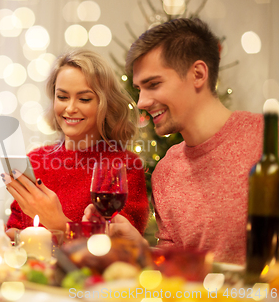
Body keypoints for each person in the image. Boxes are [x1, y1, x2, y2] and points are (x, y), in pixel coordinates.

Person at [84, 17, 261, 265]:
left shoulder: (265, 140)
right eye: (139, 89)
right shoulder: (166, 171)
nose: (142, 102)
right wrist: (139, 248)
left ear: (198, 74)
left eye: (153, 84)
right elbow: (176, 265)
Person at [0, 49, 150, 239]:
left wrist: (57, 222)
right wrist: (0, 234)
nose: (70, 108)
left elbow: (121, 247)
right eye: (62, 97)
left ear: (105, 104)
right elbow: (21, 232)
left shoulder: (125, 165)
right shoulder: (36, 159)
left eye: (84, 99)